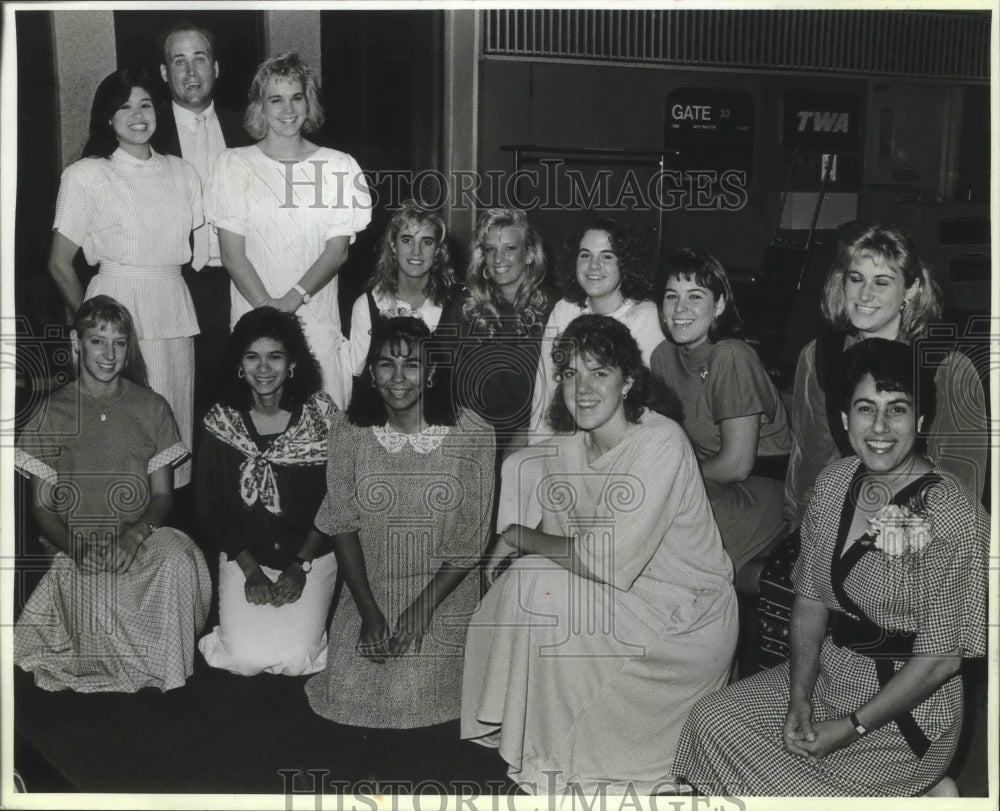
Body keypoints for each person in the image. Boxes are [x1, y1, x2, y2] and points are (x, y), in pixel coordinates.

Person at [673, 338, 988, 796]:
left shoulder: (952, 512)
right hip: (832, 674)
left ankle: (927, 789)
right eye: (865, 409)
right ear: (844, 419)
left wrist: (851, 727)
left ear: (920, 421)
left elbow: (940, 659)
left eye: (897, 410)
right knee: (710, 720)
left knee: (788, 791)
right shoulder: (837, 482)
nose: (879, 427)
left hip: (910, 707)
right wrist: (799, 696)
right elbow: (811, 601)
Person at [462, 315, 738, 796]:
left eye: (600, 373)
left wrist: (516, 537)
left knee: (534, 583)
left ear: (628, 381)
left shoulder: (661, 441)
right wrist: (523, 545)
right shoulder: (568, 447)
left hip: (686, 617)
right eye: (571, 374)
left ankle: (560, 751)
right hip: (620, 593)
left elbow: (604, 559)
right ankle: (526, 733)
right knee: (525, 583)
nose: (583, 389)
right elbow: (559, 541)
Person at [13, 296, 211, 692]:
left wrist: (135, 535)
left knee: (177, 559)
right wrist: (77, 549)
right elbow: (42, 508)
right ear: (77, 342)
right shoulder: (50, 413)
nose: (109, 354)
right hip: (76, 548)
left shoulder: (151, 406)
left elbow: (162, 497)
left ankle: (166, 673)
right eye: (98, 341)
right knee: (96, 608)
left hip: (139, 540)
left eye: (119, 343)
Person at [305, 317, 494, 729]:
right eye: (386, 364)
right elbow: (342, 524)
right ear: (371, 373)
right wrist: (368, 611)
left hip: (444, 588)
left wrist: (424, 607)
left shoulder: (473, 433)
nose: (398, 377)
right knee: (350, 687)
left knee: (409, 690)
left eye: (412, 365)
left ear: (431, 372)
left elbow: (471, 542)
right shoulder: (348, 432)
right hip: (370, 586)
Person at [47, 67, 203, 487]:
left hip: (172, 310)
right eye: (124, 106)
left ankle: (167, 518)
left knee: (170, 426)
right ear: (107, 117)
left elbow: (203, 250)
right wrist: (95, 328)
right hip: (117, 309)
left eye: (145, 104)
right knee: (119, 429)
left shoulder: (183, 173)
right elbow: (59, 263)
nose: (137, 116)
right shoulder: (86, 175)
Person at [785, 222, 987, 528]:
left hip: (922, 523)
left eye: (881, 282)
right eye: (856, 279)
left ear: (911, 289)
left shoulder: (948, 367)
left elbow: (959, 487)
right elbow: (809, 465)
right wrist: (805, 532)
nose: (865, 295)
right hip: (847, 512)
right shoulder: (820, 357)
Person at [207, 52, 372, 409]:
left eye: (296, 97)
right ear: (260, 106)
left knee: (323, 423)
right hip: (253, 321)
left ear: (308, 102)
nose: (288, 109)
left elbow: (337, 251)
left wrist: (290, 301)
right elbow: (232, 254)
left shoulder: (337, 165)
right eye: (276, 100)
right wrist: (268, 315)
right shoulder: (234, 164)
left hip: (315, 320)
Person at [196, 308, 338, 676]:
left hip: (310, 555)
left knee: (295, 659)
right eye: (252, 357)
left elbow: (338, 498)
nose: (263, 368)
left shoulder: (322, 416)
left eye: (275, 356)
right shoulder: (220, 421)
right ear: (239, 365)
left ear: (292, 363)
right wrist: (250, 570)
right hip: (244, 556)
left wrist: (300, 566)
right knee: (245, 659)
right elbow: (209, 507)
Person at [650, 249, 791, 570]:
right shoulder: (663, 356)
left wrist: (667, 478)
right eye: (671, 296)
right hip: (704, 483)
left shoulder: (730, 356)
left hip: (754, 490)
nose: (680, 308)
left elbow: (737, 465)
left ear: (719, 305)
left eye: (695, 296)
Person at [154, 20, 254, 421]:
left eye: (199, 58)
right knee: (180, 400)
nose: (191, 71)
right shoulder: (147, 132)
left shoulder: (249, 129)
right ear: (165, 73)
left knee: (241, 397)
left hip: (242, 281)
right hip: (178, 283)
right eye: (179, 61)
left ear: (216, 67)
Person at [530, 218, 663, 440]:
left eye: (607, 256)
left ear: (625, 264)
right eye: (585, 255)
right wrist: (539, 449)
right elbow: (545, 392)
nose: (594, 265)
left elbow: (648, 406)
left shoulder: (646, 317)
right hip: (568, 437)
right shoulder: (564, 310)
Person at [441, 207, 557, 457]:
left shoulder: (552, 308)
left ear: (529, 254)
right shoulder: (463, 307)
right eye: (490, 249)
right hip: (469, 434)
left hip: (531, 433)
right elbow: (440, 375)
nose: (498, 259)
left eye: (509, 248)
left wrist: (527, 433)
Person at [348, 200, 457, 392]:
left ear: (438, 251)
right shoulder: (368, 305)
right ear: (393, 245)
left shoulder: (455, 305)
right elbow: (358, 380)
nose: (416, 251)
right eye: (407, 240)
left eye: (427, 242)